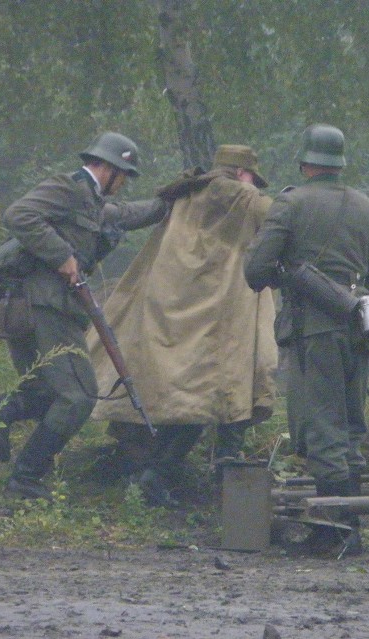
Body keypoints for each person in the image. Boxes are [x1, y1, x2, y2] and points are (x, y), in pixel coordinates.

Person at [0, 132, 168, 501]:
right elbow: (19, 214)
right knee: (79, 396)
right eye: (124, 174)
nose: (125, 181)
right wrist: (62, 255)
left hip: (43, 306)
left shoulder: (94, 203)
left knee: (48, 391)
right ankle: (25, 480)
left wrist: (171, 200)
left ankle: (0, 411)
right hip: (47, 307)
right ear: (108, 168)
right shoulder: (68, 187)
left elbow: (132, 214)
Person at [88, 144, 278, 507]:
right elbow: (284, 223)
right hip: (223, 319)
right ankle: (205, 485)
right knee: (219, 399)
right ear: (242, 173)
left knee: (178, 395)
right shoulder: (249, 200)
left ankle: (151, 473)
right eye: (252, 176)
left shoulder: (184, 196)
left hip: (172, 311)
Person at [244, 124, 369, 556]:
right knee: (350, 423)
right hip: (360, 325)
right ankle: (353, 525)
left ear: (306, 164)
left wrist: (287, 274)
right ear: (339, 164)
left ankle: (333, 532)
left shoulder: (290, 203)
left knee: (322, 423)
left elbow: (255, 271)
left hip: (314, 328)